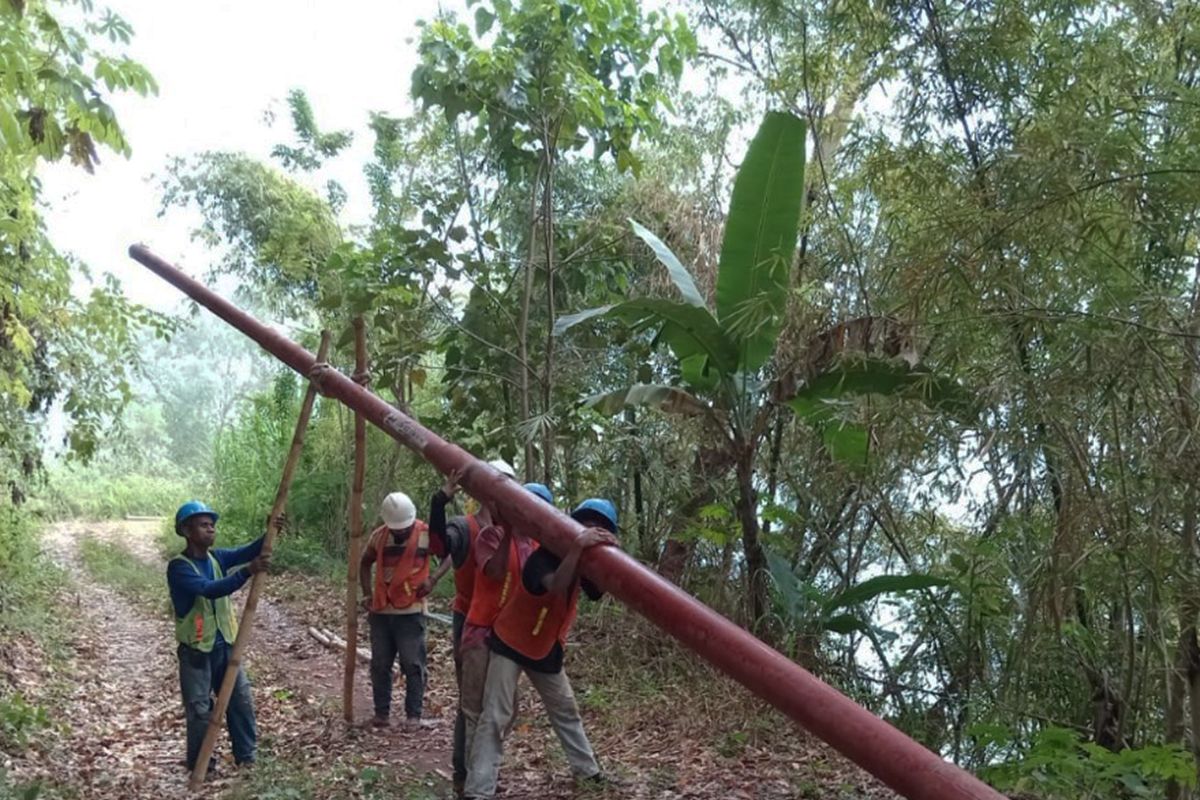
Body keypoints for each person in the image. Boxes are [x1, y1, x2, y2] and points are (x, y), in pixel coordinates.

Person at [464, 499, 619, 799]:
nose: (595, 533)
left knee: (565, 710)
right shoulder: (543, 558)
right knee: (496, 715)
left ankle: (589, 773)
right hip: (510, 641)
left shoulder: (587, 562)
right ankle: (478, 791)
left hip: (544, 648)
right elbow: (557, 584)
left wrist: (607, 557)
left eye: (602, 529)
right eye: (591, 526)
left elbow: (597, 592)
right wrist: (576, 548)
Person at [456, 479, 553, 796]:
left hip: (509, 640)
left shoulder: (537, 548)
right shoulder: (490, 536)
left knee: (504, 710)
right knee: (475, 709)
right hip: (480, 634)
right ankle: (474, 779)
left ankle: (480, 773)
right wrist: (509, 530)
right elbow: (495, 572)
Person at [428, 458, 516, 794]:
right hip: (471, 623)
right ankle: (464, 773)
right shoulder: (465, 528)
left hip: (505, 625)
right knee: (472, 704)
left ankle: (482, 770)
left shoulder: (516, 530)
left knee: (500, 705)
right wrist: (440, 500)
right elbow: (438, 546)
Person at [167, 500, 272, 773]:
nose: (211, 528)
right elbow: (209, 589)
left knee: (240, 701)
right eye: (203, 525)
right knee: (201, 711)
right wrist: (248, 571)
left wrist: (271, 531)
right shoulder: (179, 567)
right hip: (196, 652)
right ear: (187, 531)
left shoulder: (218, 558)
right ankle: (201, 765)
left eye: (212, 524)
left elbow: (250, 550)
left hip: (225, 646)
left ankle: (247, 758)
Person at [359, 490, 436, 729]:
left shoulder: (426, 534)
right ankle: (381, 714)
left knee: (412, 663)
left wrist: (433, 580)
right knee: (380, 664)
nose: (401, 532)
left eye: (404, 528)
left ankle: (413, 716)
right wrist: (367, 594)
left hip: (411, 613)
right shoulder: (379, 537)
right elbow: (365, 562)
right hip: (381, 611)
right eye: (397, 529)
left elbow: (448, 556)